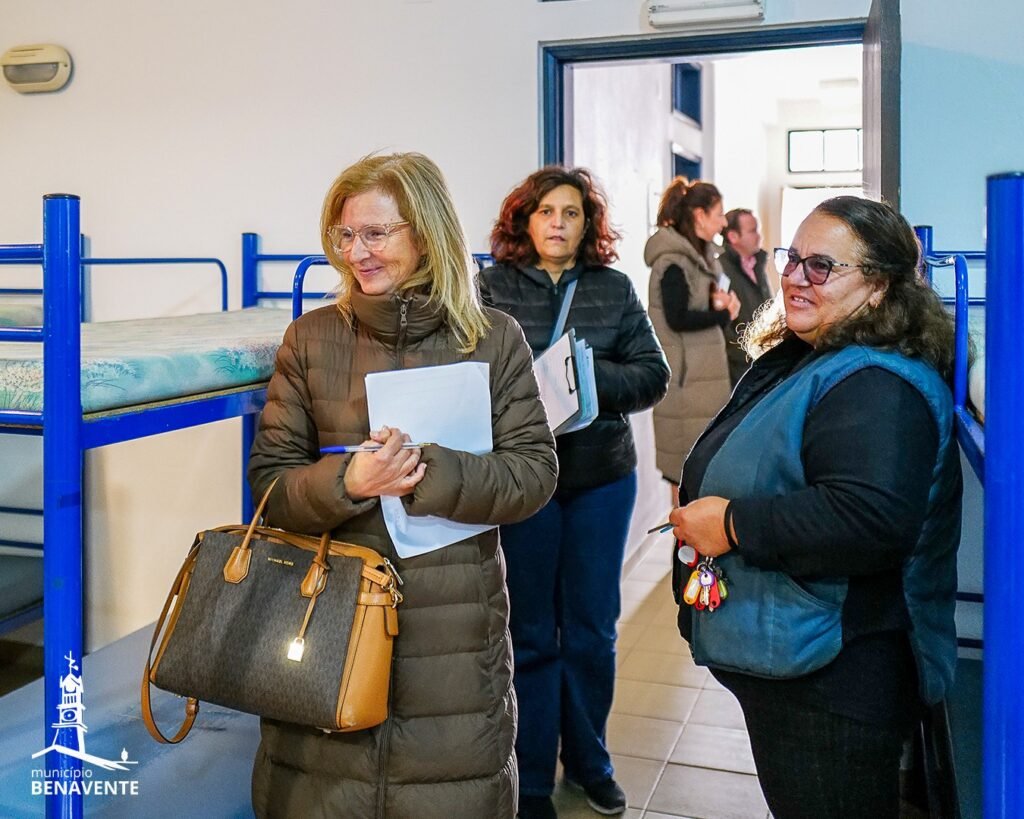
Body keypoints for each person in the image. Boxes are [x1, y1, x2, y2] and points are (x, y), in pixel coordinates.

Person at [247, 152, 558, 819]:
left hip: (453, 635)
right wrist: (349, 481)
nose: (355, 252)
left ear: (426, 231)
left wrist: (427, 470)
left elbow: (534, 473)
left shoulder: (492, 339)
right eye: (344, 234)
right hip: (328, 622)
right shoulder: (310, 339)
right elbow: (270, 486)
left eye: (375, 233)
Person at [667, 196, 962, 818]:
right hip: (804, 664)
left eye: (822, 266)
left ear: (878, 287)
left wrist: (730, 524)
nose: (796, 278)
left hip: (834, 682)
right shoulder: (820, 354)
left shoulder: (877, 384)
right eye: (793, 259)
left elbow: (868, 520)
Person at [478, 167, 669, 819]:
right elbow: (471, 372)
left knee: (591, 630)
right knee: (531, 631)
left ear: (588, 225)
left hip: (600, 480)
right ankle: (532, 776)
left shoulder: (613, 288)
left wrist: (584, 378)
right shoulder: (493, 287)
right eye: (546, 211)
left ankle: (590, 761)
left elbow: (653, 375)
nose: (558, 223)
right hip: (524, 480)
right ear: (525, 220)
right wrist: (527, 386)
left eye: (572, 213)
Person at [644, 177, 739, 497]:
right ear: (699, 215)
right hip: (686, 387)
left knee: (701, 472)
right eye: (718, 214)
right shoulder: (673, 262)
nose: (723, 222)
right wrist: (723, 315)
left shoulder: (699, 259)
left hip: (701, 380)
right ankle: (684, 532)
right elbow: (678, 318)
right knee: (683, 474)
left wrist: (717, 304)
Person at [719, 208, 774, 385]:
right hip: (740, 368)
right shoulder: (720, 271)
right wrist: (745, 354)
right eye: (752, 231)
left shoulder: (758, 266)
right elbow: (723, 325)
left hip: (763, 361)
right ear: (733, 236)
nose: (759, 236)